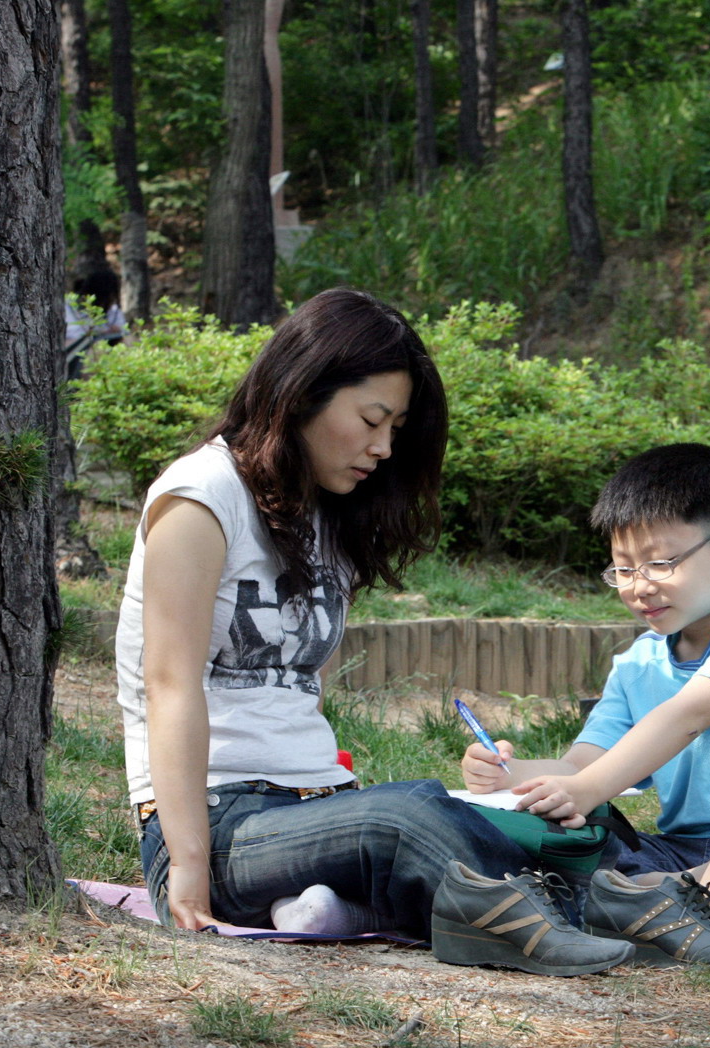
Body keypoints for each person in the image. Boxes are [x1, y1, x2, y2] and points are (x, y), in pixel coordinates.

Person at [117, 288, 635, 977]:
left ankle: (630, 903)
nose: (383, 447)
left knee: (547, 814)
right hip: (216, 825)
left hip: (317, 810)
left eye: (395, 428)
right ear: (301, 393)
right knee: (407, 815)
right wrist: (186, 869)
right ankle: (557, 919)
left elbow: (299, 691)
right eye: (371, 419)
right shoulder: (200, 497)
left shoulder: (325, 512)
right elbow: (169, 685)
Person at [461, 443, 710, 967]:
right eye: (623, 570)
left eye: (660, 563)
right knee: (560, 844)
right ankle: (649, 901)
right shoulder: (639, 662)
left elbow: (690, 714)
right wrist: (510, 774)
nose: (639, 587)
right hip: (681, 846)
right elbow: (585, 765)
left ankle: (659, 902)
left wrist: (586, 790)